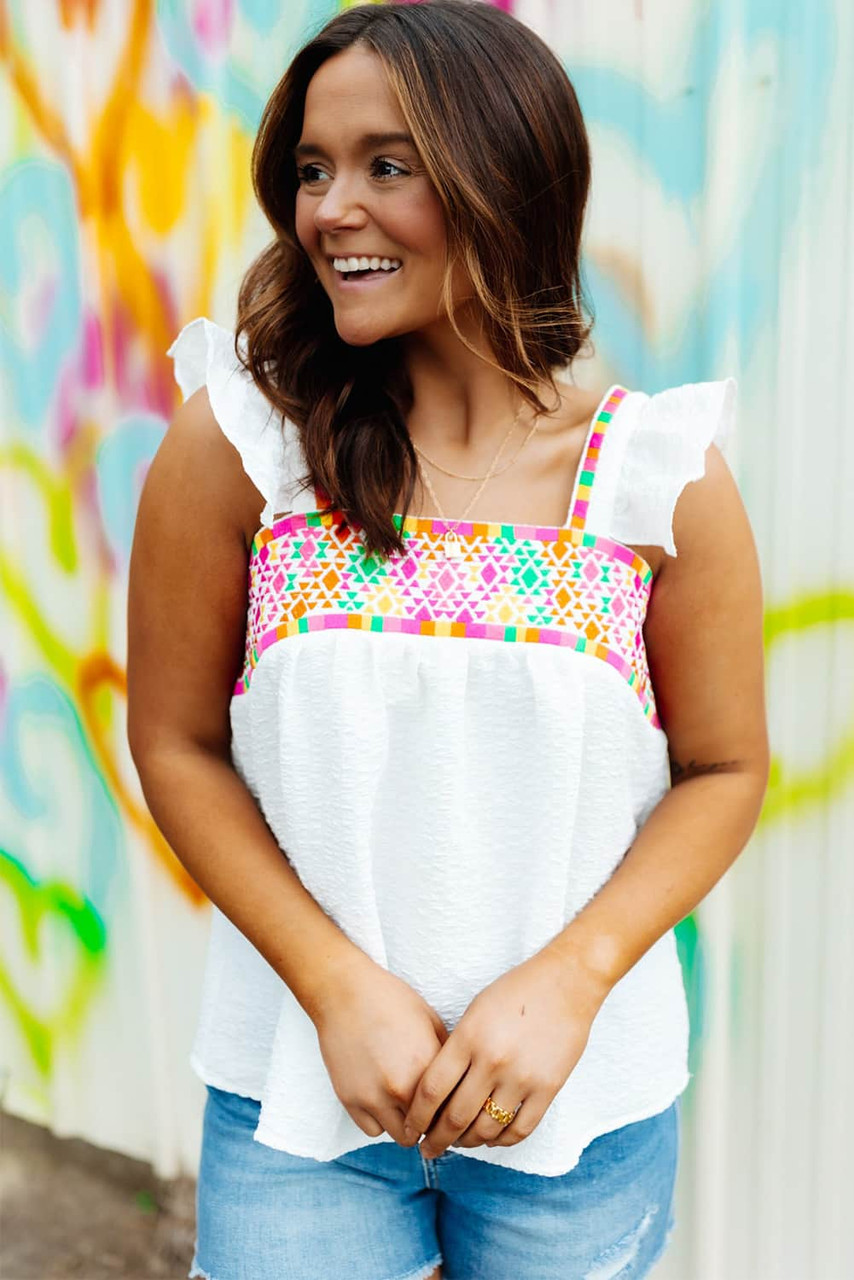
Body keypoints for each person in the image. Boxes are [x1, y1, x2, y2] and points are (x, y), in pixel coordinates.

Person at [127, 3, 769, 1277]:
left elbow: (725, 770)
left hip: (575, 1108)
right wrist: (333, 986)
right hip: (298, 1102)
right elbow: (176, 741)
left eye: (385, 164)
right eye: (311, 170)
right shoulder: (247, 446)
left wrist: (572, 979)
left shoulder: (651, 472)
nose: (327, 210)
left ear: (506, 177)